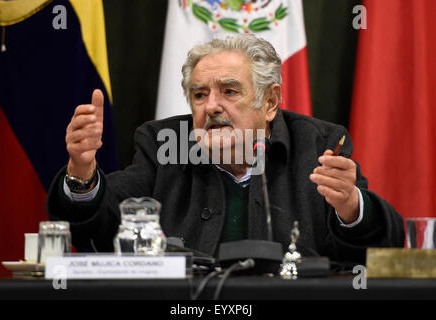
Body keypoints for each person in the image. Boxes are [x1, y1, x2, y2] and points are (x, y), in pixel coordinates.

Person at [47, 34, 404, 264]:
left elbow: (384, 243)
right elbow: (99, 223)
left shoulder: (318, 144)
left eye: (229, 91)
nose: (212, 106)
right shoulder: (161, 144)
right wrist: (81, 173)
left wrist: (351, 206)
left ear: (269, 101)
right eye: (200, 95)